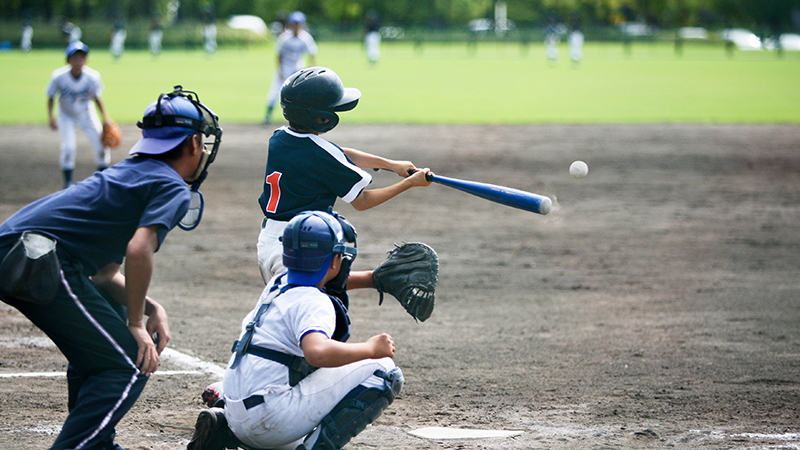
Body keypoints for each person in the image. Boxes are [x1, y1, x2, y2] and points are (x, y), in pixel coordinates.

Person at [0, 86, 223, 450]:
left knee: (109, 333)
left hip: (23, 251)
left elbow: (105, 274)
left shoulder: (132, 173)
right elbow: (138, 250)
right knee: (126, 361)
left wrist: (151, 308)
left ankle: (97, 442)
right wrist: (137, 325)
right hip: (36, 257)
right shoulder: (171, 186)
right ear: (195, 144)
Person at [188, 210, 403, 450]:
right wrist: (371, 348)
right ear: (334, 260)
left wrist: (372, 279)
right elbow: (317, 353)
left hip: (241, 415)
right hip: (269, 421)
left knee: (290, 434)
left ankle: (225, 428)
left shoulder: (277, 282)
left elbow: (316, 277)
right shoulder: (314, 301)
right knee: (384, 369)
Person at [256, 66, 432, 284]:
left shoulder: (279, 137)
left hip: (268, 241)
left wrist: (391, 165)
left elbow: (337, 154)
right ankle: (376, 281)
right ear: (321, 118)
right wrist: (410, 184)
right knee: (304, 310)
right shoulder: (322, 155)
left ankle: (374, 280)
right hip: (299, 246)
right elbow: (361, 201)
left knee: (284, 307)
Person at [47, 41, 112, 189]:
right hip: (65, 115)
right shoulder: (58, 76)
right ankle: (68, 183)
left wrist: (106, 118)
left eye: (81, 57)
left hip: (87, 114)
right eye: (74, 58)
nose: (78, 61)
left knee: (102, 146)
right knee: (68, 148)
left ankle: (105, 181)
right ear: (68, 60)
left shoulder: (93, 77)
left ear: (86, 60)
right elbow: (50, 96)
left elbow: (97, 98)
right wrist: (51, 117)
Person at [263, 11, 317, 124]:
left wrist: (312, 70)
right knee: (275, 92)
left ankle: (303, 118)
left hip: (298, 67)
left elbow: (312, 54)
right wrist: (280, 70)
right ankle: (267, 117)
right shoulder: (284, 38)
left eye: (299, 23)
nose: (296, 26)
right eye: (294, 23)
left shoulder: (306, 38)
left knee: (302, 95)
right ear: (290, 24)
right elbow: (279, 55)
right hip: (285, 67)